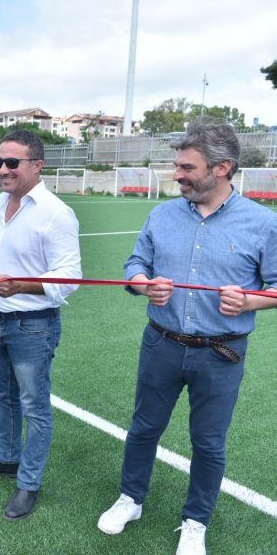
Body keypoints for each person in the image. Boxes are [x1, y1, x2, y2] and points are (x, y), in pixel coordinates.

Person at [96, 118, 277, 555]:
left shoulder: (263, 223)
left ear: (222, 168)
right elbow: (134, 264)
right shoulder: (162, 213)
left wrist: (252, 302)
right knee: (143, 428)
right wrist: (143, 284)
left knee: (209, 444)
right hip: (160, 343)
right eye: (177, 166)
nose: (177, 175)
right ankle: (131, 498)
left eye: (186, 168)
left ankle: (195, 521)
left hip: (221, 353)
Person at [0, 129, 81, 520]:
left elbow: (70, 277)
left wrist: (24, 286)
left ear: (36, 165)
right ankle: (8, 459)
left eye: (12, 162)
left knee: (34, 406)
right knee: (3, 396)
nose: (3, 169)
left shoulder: (56, 212)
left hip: (34, 325)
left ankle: (28, 483)